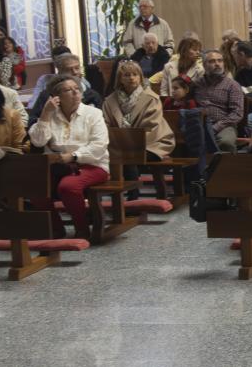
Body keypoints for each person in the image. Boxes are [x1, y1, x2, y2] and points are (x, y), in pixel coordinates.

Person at [29, 74, 110, 241]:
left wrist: (73, 156)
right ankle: (55, 228)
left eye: (77, 89)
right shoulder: (50, 114)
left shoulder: (93, 113)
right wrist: (45, 114)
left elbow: (99, 146)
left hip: (92, 164)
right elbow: (38, 141)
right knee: (35, 186)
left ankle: (82, 228)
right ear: (56, 97)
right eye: (68, 90)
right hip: (59, 166)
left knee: (68, 186)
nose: (75, 92)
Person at [102, 61, 175, 163]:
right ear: (120, 79)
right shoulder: (110, 101)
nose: (131, 78)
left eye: (135, 74)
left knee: (131, 156)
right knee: (113, 155)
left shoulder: (151, 99)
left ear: (140, 77)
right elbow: (105, 125)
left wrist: (128, 142)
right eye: (127, 75)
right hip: (118, 144)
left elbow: (151, 126)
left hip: (152, 142)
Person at [195, 49, 245, 153]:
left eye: (220, 60)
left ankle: (227, 164)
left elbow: (237, 113)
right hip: (200, 124)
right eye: (212, 61)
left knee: (225, 143)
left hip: (224, 125)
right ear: (204, 65)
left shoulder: (232, 85)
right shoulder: (197, 84)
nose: (217, 64)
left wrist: (216, 127)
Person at [29, 53, 103, 121]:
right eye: (69, 70)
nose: (75, 72)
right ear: (60, 72)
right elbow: (32, 122)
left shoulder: (92, 96)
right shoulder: (47, 96)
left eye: (77, 68)